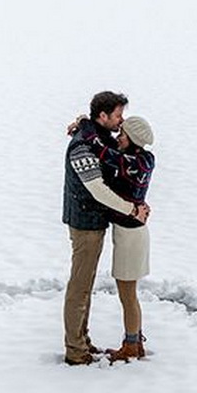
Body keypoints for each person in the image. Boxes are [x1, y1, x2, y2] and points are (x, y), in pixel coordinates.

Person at [62, 92, 149, 366]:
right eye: (118, 116)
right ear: (103, 116)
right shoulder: (82, 148)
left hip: (95, 221)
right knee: (80, 287)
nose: (121, 122)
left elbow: (118, 156)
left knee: (85, 286)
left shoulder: (97, 136)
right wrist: (132, 210)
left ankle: (83, 341)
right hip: (85, 223)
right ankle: (75, 350)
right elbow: (98, 190)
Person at [87, 114, 155, 363]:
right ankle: (135, 340)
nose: (118, 137)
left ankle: (131, 345)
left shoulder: (131, 162)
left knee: (127, 295)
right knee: (129, 294)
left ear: (134, 140)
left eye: (123, 134)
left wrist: (85, 124)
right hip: (134, 232)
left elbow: (100, 150)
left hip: (130, 236)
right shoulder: (145, 158)